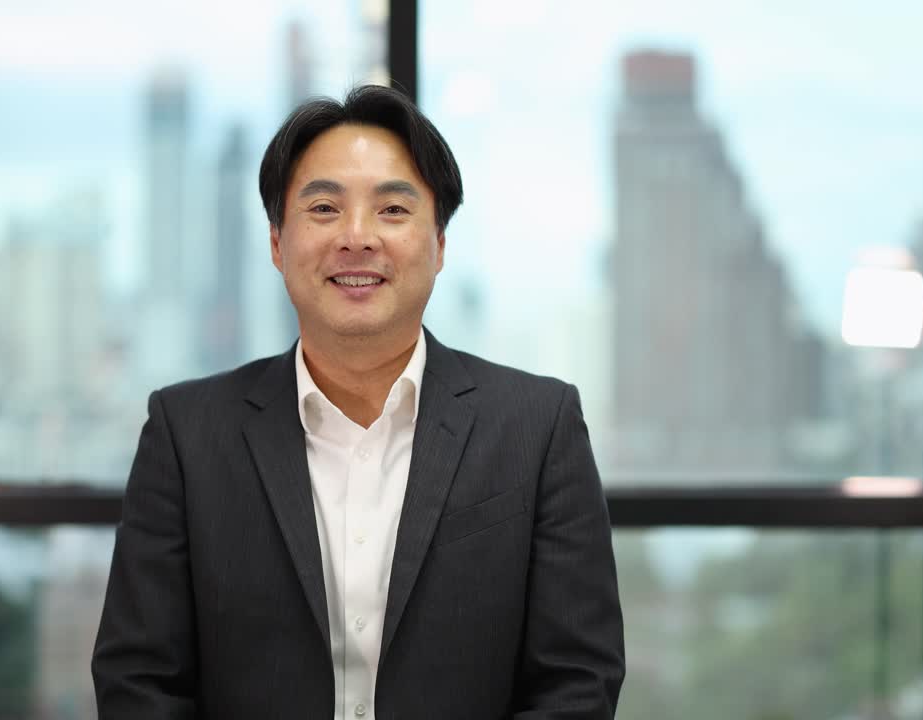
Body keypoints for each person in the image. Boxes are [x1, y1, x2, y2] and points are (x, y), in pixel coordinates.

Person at [92, 84, 625, 719]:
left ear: (440, 244)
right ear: (276, 243)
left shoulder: (537, 427)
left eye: (393, 210)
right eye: (323, 208)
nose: (357, 237)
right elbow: (139, 682)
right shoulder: (186, 435)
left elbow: (577, 682)